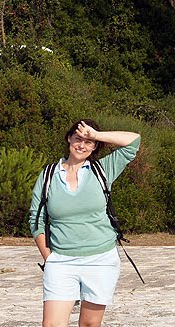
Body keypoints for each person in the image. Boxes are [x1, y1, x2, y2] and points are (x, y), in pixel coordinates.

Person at [29, 119, 141, 327]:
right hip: (60, 261)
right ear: (69, 139)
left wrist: (95, 134)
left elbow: (134, 141)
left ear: (95, 146)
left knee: (90, 324)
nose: (82, 145)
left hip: (101, 259)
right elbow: (36, 218)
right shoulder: (48, 175)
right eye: (78, 138)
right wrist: (49, 257)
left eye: (88, 142)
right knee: (51, 324)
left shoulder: (103, 169)